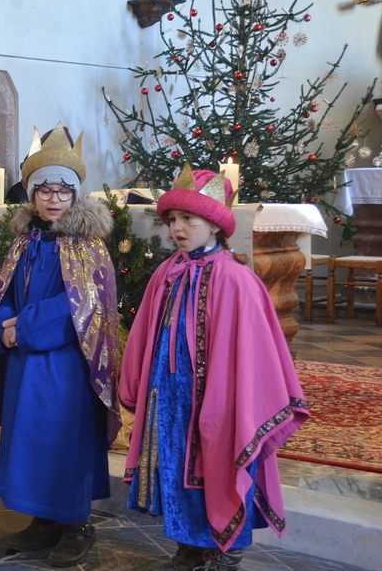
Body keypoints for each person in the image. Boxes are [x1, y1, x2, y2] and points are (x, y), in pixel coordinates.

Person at [119, 164, 309, 571]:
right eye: (172, 219)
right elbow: (145, 333)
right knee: (175, 468)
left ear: (215, 226)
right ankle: (188, 547)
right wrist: (138, 382)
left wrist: (233, 401)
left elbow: (254, 355)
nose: (177, 228)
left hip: (218, 399)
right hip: (169, 396)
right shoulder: (168, 272)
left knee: (219, 465)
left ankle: (226, 552)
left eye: (188, 219)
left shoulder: (236, 279)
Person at [0, 123, 121, 567]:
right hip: (25, 362)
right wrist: (1, 327)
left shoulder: (87, 246)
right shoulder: (26, 241)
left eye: (63, 191)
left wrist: (24, 328)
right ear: (32, 194)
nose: (54, 199)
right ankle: (42, 519)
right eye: (45, 190)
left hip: (65, 364)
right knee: (30, 439)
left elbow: (83, 304)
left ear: (75, 195)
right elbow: (3, 293)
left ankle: (75, 525)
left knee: (63, 440)